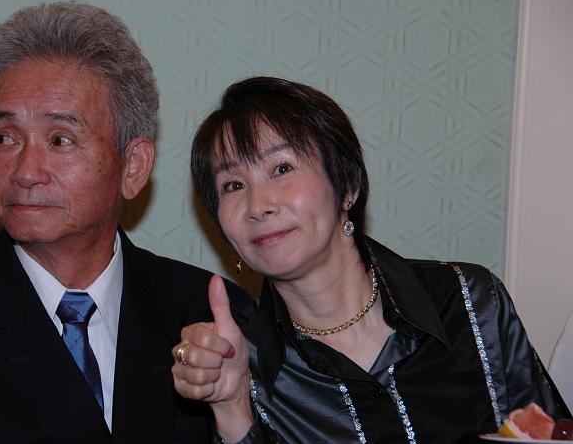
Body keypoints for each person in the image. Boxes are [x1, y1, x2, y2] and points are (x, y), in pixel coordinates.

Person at [0, 2, 252, 443]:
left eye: (60, 140)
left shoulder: (212, 318)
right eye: (5, 138)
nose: (25, 172)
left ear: (133, 167)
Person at [171, 76, 571, 443]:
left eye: (282, 167)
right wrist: (232, 410)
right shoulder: (240, 363)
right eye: (233, 185)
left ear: (347, 185)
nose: (258, 204)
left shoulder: (468, 300)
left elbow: (552, 433)